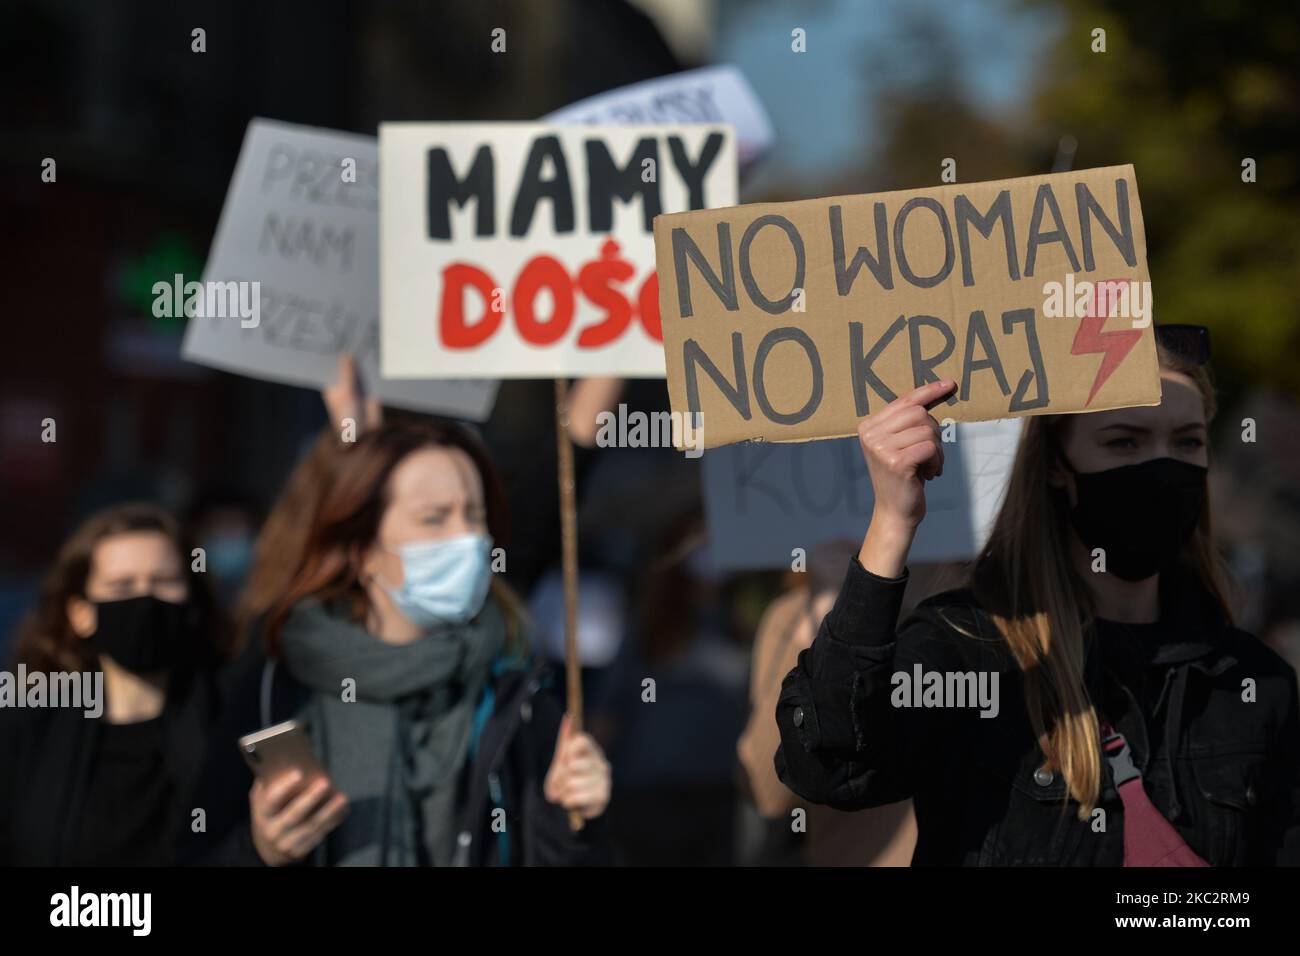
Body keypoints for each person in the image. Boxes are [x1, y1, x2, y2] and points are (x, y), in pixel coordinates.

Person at [776, 326, 1300, 865]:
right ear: (1055, 463)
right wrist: (891, 522)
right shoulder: (966, 651)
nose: (1161, 464)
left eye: (1186, 441)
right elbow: (829, 762)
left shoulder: (1253, 682)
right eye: (1125, 441)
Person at [189, 419, 612, 866]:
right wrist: (260, 853)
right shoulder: (274, 685)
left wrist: (578, 825)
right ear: (363, 548)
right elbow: (196, 850)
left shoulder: (519, 693)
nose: (466, 538)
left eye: (475, 515)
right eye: (434, 518)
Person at [0, 503, 227, 865]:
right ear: (81, 613)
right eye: (122, 586)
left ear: (192, 599)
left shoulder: (231, 719)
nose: (145, 598)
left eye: (164, 581)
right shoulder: (27, 727)